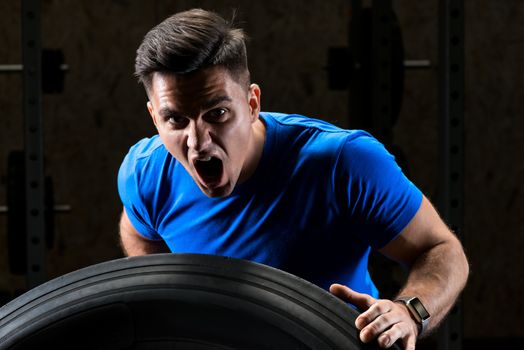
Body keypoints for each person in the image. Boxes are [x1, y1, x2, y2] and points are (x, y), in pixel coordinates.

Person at [118, 8, 468, 350]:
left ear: (252, 102)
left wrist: (410, 312)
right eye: (176, 120)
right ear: (154, 117)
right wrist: (171, 306)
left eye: (218, 113)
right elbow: (137, 232)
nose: (198, 141)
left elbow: (441, 249)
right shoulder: (146, 173)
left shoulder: (343, 163)